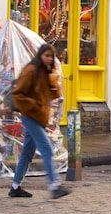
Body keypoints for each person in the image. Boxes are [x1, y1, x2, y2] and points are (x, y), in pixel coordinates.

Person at [8, 43, 70, 199]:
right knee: (47, 149)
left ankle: (15, 186)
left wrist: (53, 79)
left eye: (51, 56)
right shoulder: (31, 70)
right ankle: (54, 185)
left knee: (27, 154)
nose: (49, 59)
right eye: (46, 56)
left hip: (39, 117)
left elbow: (54, 95)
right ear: (40, 55)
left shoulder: (46, 72)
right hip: (31, 116)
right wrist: (34, 106)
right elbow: (18, 94)